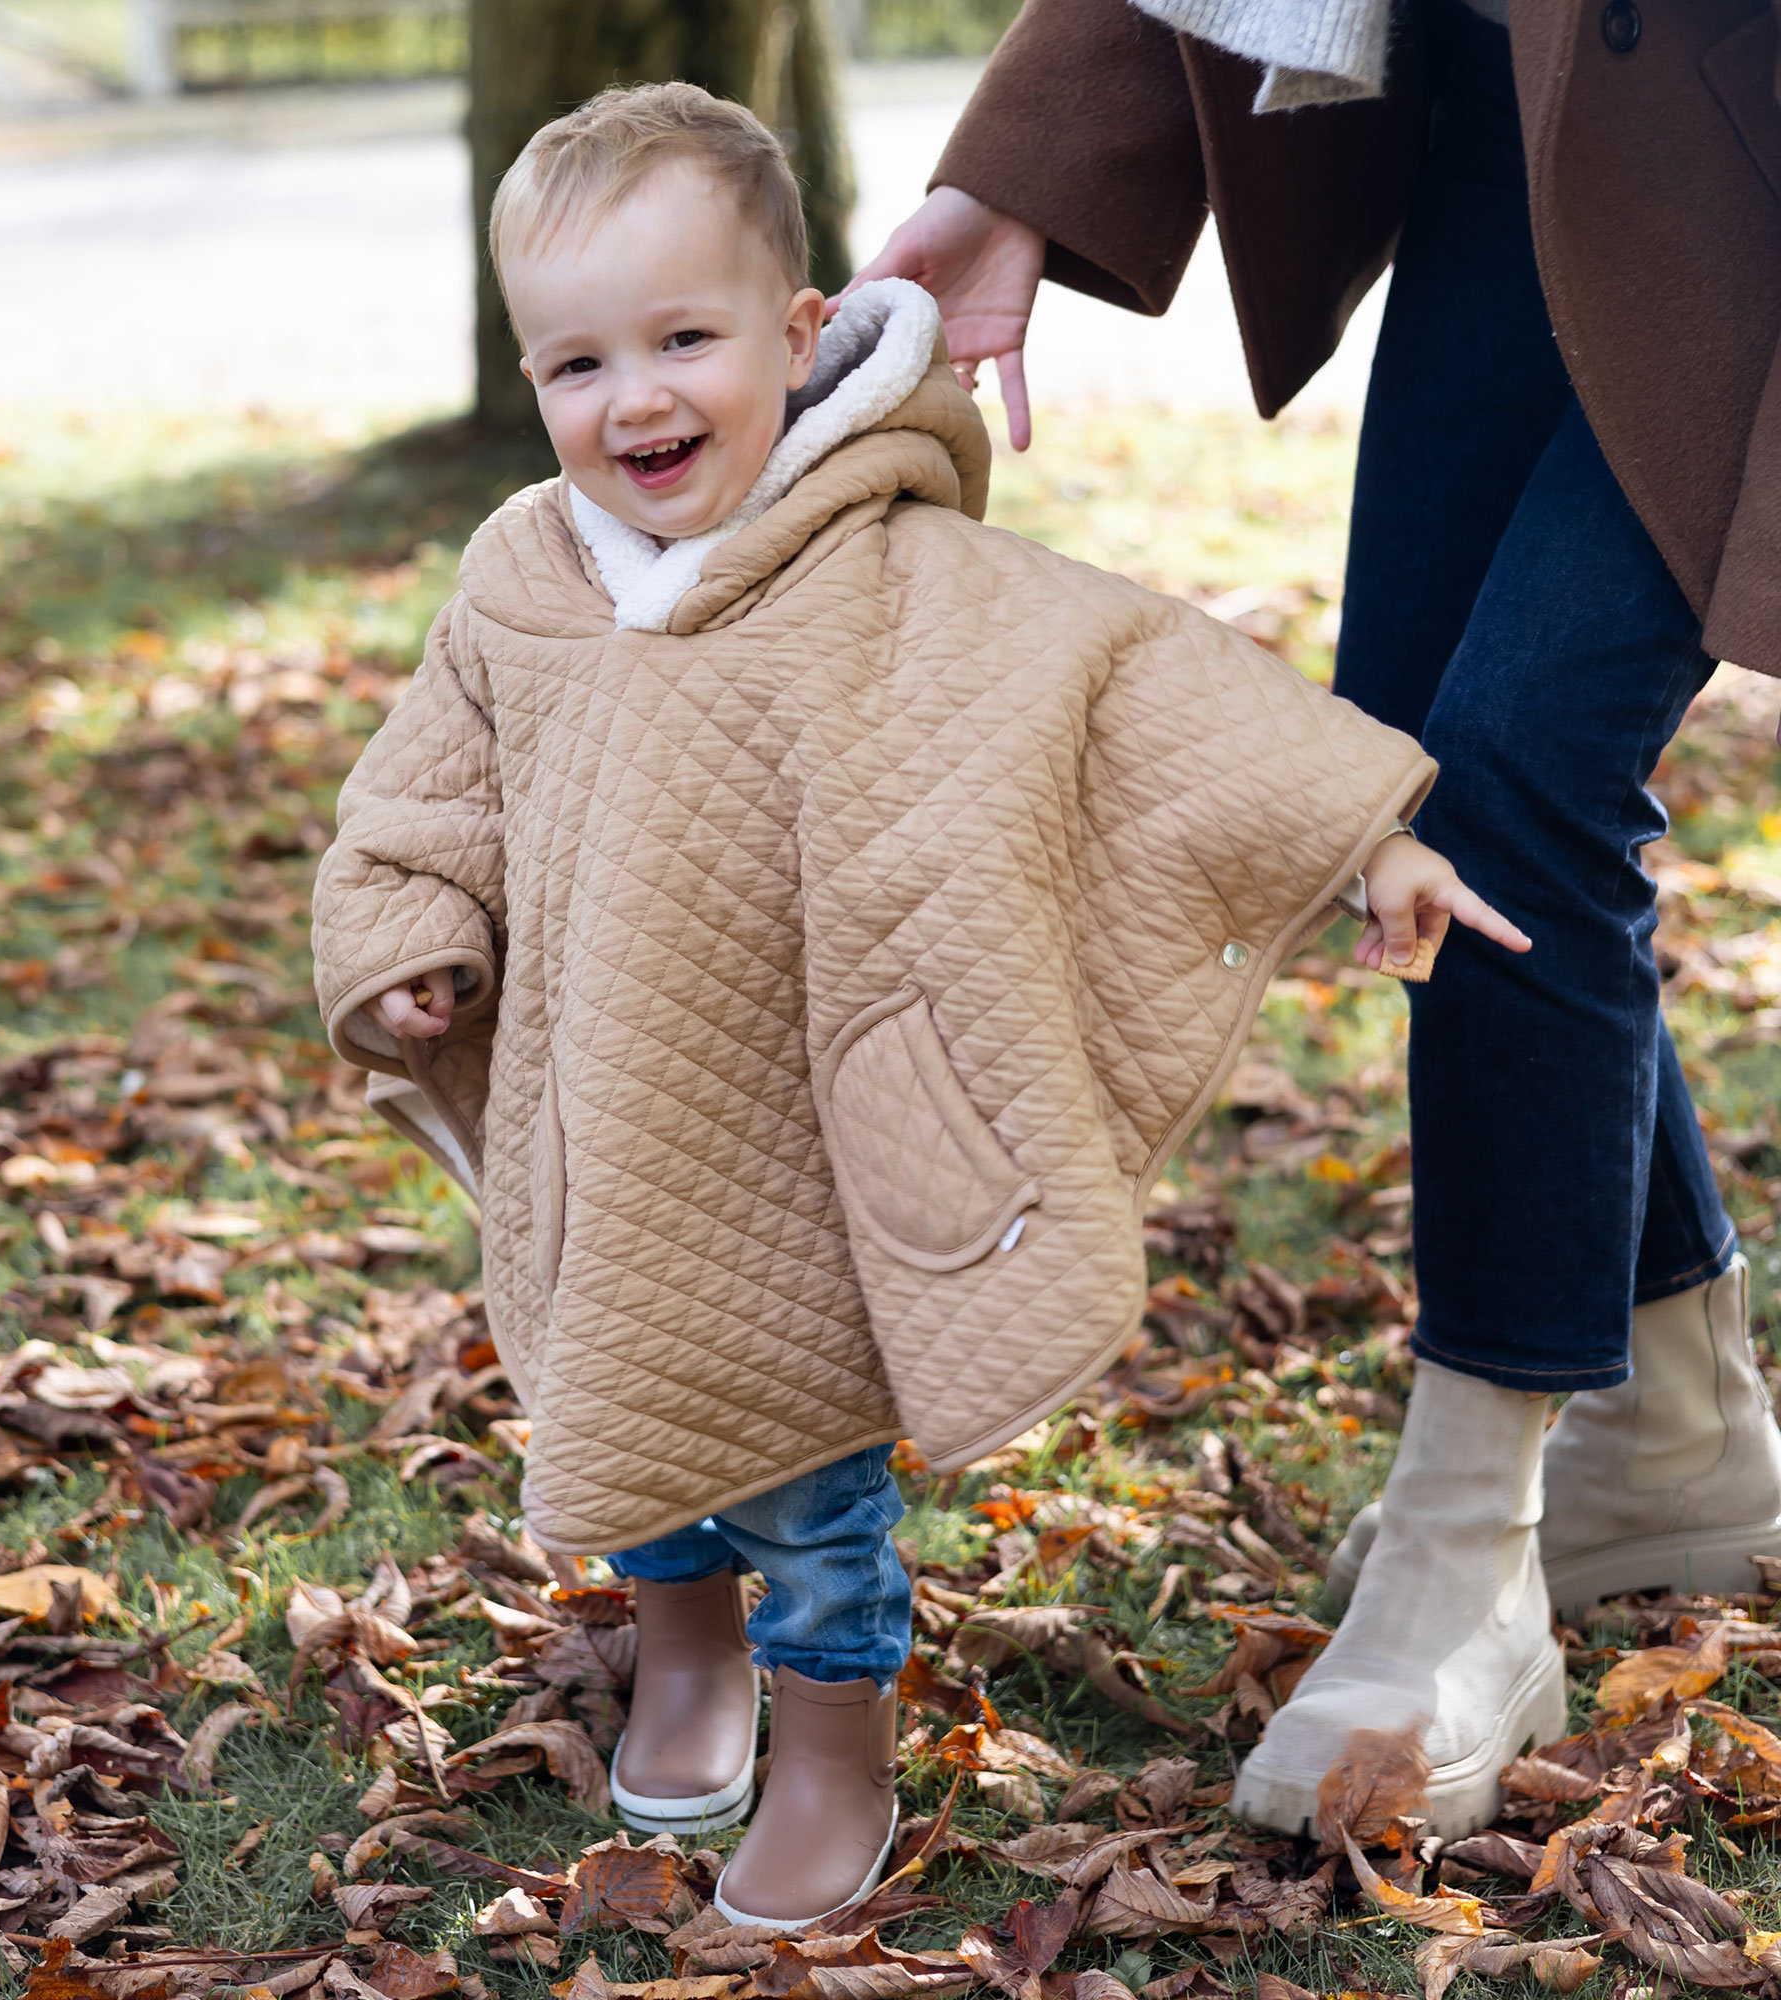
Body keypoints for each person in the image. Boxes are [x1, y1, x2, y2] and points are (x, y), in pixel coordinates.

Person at [310, 81, 1529, 1917]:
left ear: (799, 338)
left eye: (683, 341)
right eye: (575, 366)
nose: (632, 399)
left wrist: (1367, 838)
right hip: (605, 1120)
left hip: (804, 1130)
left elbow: (1137, 679)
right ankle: (689, 1655)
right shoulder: (517, 587)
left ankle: (827, 1747)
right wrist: (415, 940)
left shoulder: (893, 563)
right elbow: (423, 794)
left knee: (808, 1486)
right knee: (620, 1421)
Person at [848, 0, 1781, 1838]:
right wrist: (1022, 175)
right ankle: (1674, 1426)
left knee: (1506, 773)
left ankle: (1471, 1546)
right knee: (1415, 757)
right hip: (1533, 120)